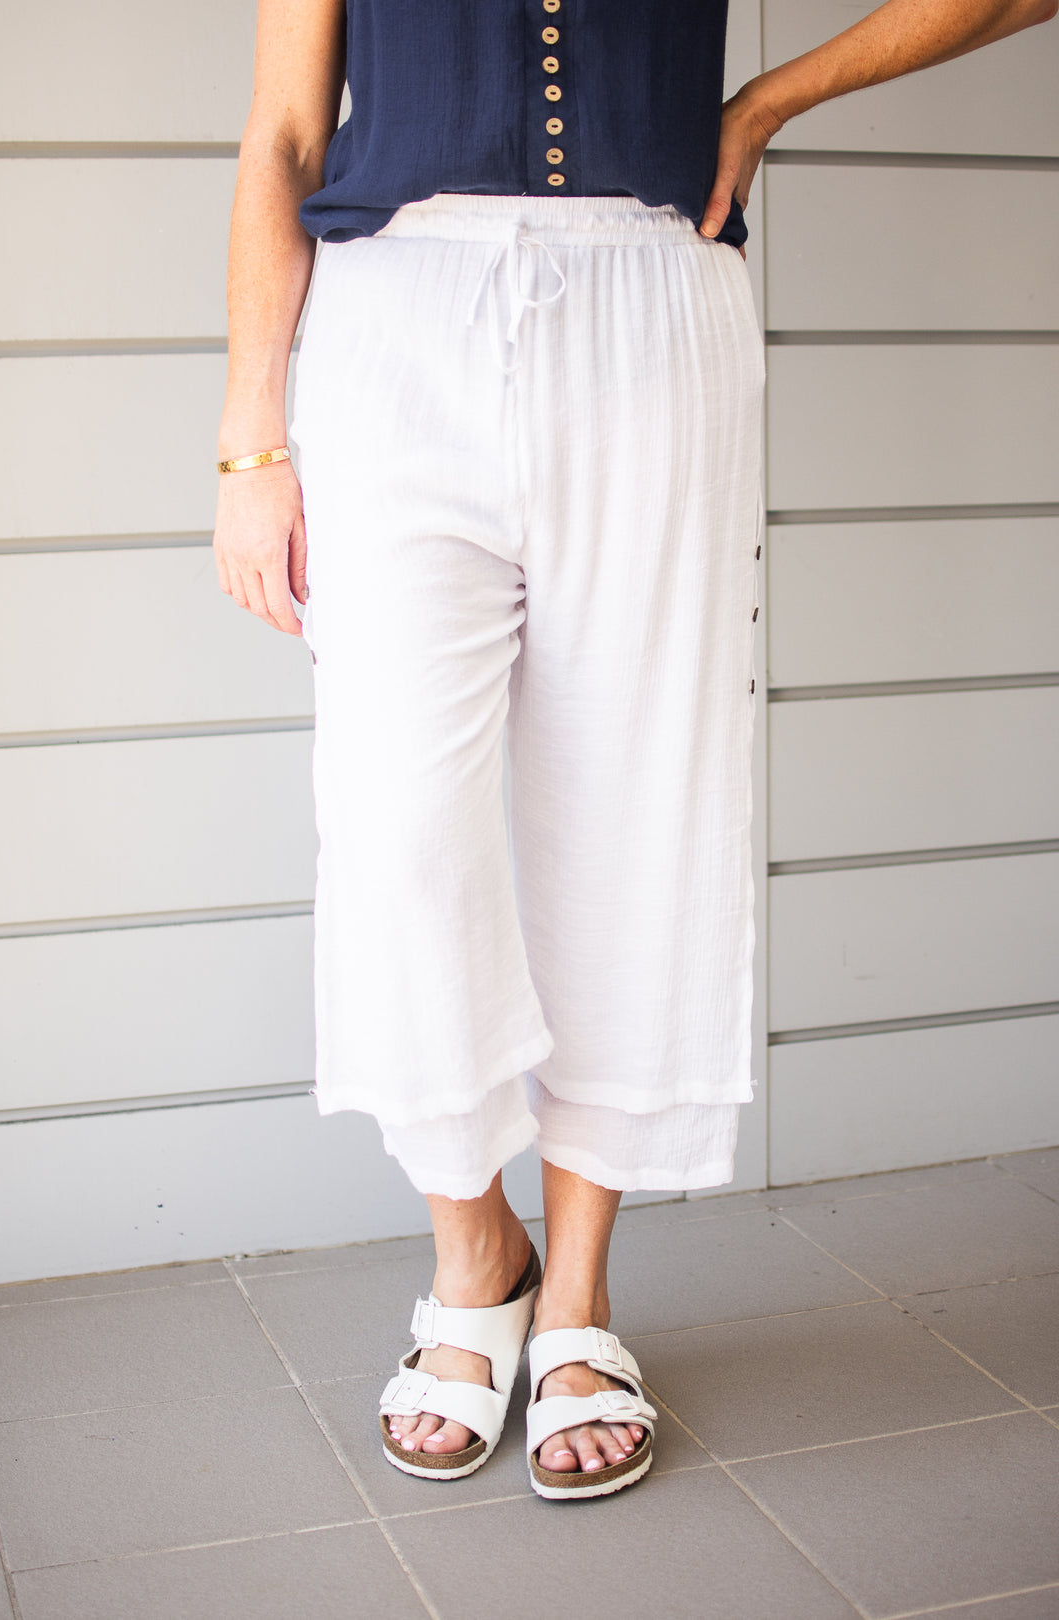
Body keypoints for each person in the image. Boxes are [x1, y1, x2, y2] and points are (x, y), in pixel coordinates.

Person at [213, 0, 1055, 1500]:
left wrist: (772, 99)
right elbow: (283, 136)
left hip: (650, 312)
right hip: (395, 321)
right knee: (401, 826)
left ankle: (582, 1298)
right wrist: (250, 442)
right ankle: (479, 1252)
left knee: (636, 811)